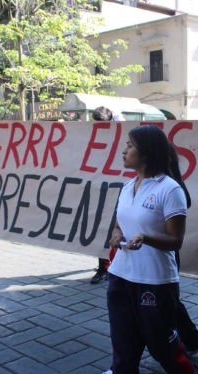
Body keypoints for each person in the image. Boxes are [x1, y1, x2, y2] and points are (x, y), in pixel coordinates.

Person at [106, 125, 198, 374]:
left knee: (160, 347)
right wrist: (116, 234)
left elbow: (176, 240)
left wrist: (146, 238)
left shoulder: (169, 189)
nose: (124, 150)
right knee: (124, 354)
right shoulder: (126, 187)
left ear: (146, 152)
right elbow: (120, 224)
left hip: (155, 282)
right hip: (121, 277)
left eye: (130, 145)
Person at [90, 106, 115, 285]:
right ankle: (103, 267)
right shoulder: (87, 134)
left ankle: (105, 268)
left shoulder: (122, 136)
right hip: (96, 188)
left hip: (115, 189)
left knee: (110, 228)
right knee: (100, 227)